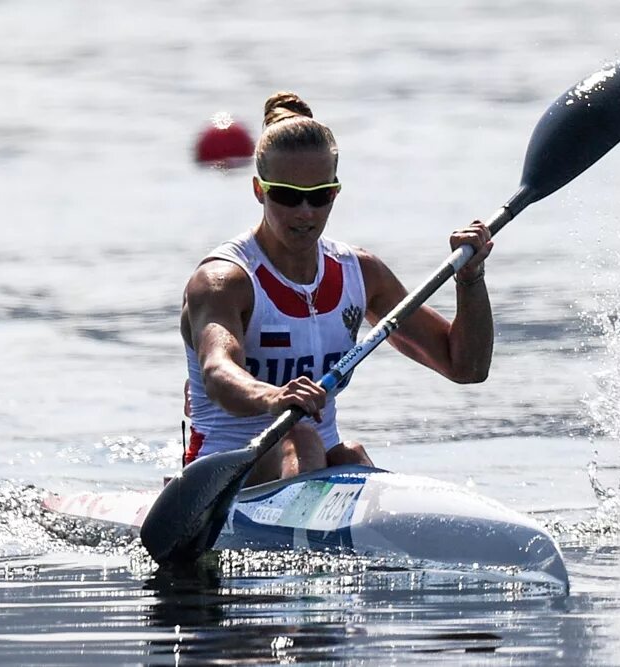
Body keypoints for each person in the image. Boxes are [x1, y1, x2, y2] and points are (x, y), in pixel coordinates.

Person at [181, 91, 494, 486]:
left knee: (350, 454)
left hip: (317, 464)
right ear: (259, 190)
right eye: (287, 196)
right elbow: (218, 372)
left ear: (335, 191)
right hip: (222, 474)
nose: (305, 213)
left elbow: (466, 367)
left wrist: (471, 279)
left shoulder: (359, 273)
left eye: (319, 197)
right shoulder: (225, 280)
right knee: (303, 440)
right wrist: (274, 397)